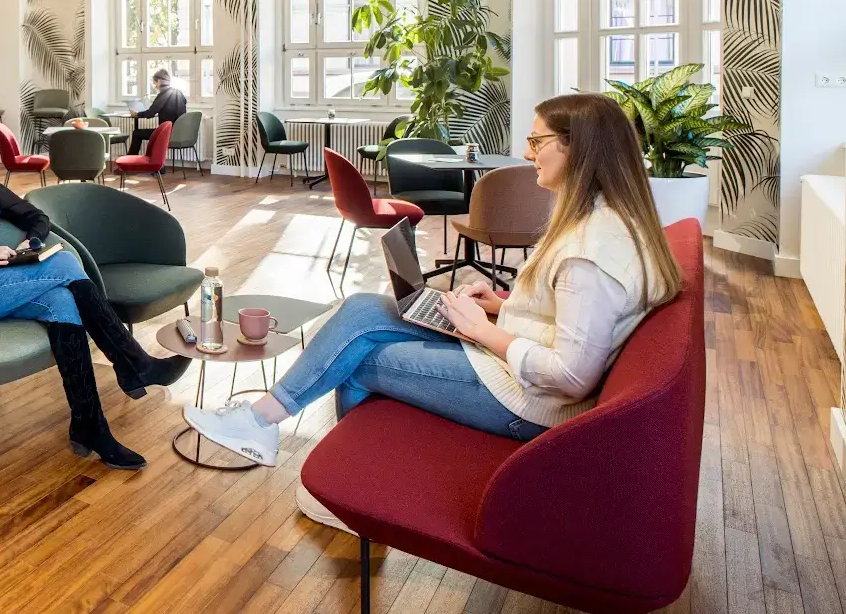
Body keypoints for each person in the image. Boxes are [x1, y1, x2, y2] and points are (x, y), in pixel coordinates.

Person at [182, 93, 682, 530]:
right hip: (513, 366)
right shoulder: (605, 222)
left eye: (537, 141)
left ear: (578, 150)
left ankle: (350, 498)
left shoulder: (588, 255)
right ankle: (264, 421)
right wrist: (502, 305)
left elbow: (572, 376)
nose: (528, 153)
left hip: (526, 400)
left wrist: (483, 332)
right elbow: (569, 319)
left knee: (357, 359)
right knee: (363, 309)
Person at [0, 111, 191, 469]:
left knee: (62, 301)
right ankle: (134, 363)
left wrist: (32, 241)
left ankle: (89, 425)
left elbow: (37, 217)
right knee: (64, 263)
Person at [128, 69, 187, 156]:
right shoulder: (179, 93)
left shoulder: (163, 95)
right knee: (142, 133)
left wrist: (136, 114)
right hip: (179, 132)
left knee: (137, 133)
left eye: (154, 83)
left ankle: (130, 160)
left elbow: (150, 113)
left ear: (159, 81)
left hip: (166, 132)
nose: (155, 86)